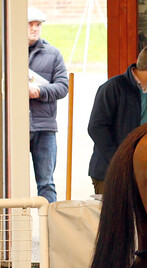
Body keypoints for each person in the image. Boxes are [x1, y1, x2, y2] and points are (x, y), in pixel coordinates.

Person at [88, 44, 147, 194]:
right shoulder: (112, 88)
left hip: (144, 172)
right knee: (114, 217)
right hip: (110, 172)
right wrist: (119, 160)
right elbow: (96, 128)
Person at [28, 7, 68, 203]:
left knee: (46, 184)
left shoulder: (53, 54)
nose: (35, 29)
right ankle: (10, 231)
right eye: (30, 24)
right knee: (8, 182)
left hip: (45, 129)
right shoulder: (6, 52)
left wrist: (39, 91)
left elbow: (63, 87)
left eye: (38, 25)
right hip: (12, 130)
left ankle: (50, 231)